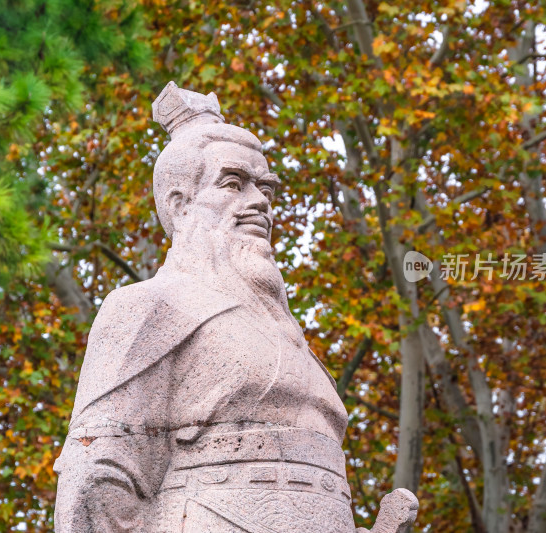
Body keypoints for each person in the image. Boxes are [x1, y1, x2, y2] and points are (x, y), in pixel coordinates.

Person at [54, 82, 416, 533]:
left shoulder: (291, 337)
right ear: (180, 204)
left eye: (265, 187)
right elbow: (96, 479)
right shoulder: (148, 305)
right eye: (233, 183)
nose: (260, 201)